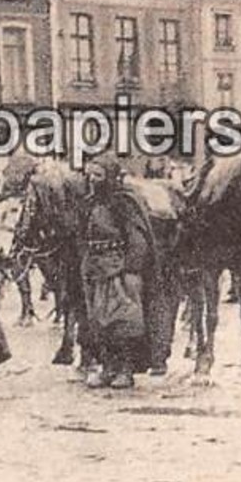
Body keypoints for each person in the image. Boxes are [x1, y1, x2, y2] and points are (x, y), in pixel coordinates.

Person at [78, 154, 156, 389]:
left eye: (98, 176)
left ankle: (125, 370)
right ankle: (107, 367)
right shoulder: (91, 202)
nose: (93, 180)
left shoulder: (123, 202)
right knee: (99, 323)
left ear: (110, 177)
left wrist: (131, 269)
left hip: (119, 269)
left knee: (122, 322)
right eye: (90, 175)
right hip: (96, 268)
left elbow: (137, 236)